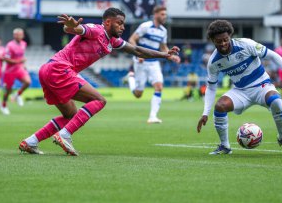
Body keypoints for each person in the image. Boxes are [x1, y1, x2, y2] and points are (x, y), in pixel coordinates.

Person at [19, 8, 180, 156]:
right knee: (99, 100)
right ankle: (64, 135)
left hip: (48, 69)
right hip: (59, 69)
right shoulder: (97, 30)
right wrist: (70, 27)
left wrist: (164, 55)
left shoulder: (113, 41)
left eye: (123, 24)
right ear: (108, 22)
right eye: (120, 23)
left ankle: (31, 142)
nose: (123, 27)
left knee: (70, 115)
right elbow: (77, 29)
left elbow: (137, 50)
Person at [197, 20, 282, 155]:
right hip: (241, 91)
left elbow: (272, 55)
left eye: (225, 39)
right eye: (218, 41)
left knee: (276, 100)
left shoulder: (246, 44)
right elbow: (211, 87)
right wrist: (205, 113)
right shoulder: (213, 62)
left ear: (230, 36)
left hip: (261, 85)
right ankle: (225, 146)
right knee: (220, 106)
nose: (223, 44)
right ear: (212, 40)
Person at [127, 6, 181, 124]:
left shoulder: (163, 31)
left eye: (165, 14)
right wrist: (138, 54)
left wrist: (172, 56)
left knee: (159, 87)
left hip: (154, 62)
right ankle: (131, 78)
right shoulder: (145, 26)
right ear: (155, 14)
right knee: (138, 94)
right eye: (162, 14)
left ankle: (153, 116)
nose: (164, 17)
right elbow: (132, 40)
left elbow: (163, 48)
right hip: (141, 62)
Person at [1, 28, 31, 115]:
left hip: (19, 69)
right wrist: (19, 62)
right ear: (14, 35)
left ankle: (17, 95)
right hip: (9, 71)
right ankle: (3, 105)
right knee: (8, 91)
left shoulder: (23, 44)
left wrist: (23, 66)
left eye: (21, 34)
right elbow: (6, 59)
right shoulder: (10, 45)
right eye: (17, 34)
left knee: (28, 82)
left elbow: (21, 56)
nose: (19, 36)